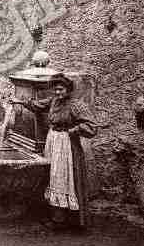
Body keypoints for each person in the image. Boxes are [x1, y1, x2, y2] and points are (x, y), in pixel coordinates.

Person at [10, 73, 97, 230]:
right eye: (56, 89)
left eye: (61, 89)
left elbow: (91, 127)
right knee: (53, 176)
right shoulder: (53, 101)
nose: (58, 92)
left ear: (68, 90)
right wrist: (20, 101)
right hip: (52, 141)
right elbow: (37, 105)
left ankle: (67, 219)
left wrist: (74, 129)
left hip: (67, 145)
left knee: (64, 178)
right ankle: (57, 215)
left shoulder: (76, 105)